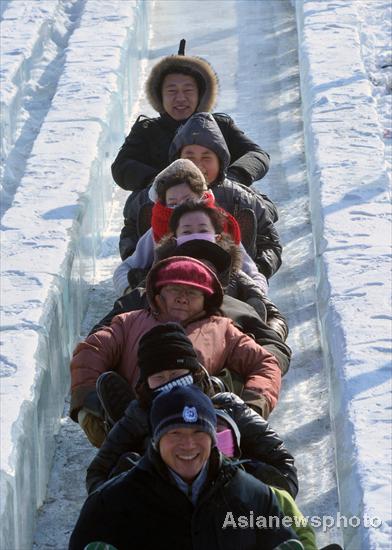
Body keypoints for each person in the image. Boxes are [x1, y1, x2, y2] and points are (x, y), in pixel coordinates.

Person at [70, 256, 281, 447]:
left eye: (192, 292)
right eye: (174, 290)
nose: (182, 298)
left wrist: (252, 406)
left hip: (199, 423)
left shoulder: (223, 330)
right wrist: (88, 400)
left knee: (215, 383)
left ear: (206, 298)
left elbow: (265, 364)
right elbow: (92, 351)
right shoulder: (129, 322)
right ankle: (122, 424)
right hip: (135, 420)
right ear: (159, 292)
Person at [69, 385, 301, 550]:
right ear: (156, 440)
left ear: (212, 439)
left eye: (199, 432)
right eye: (175, 433)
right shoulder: (109, 505)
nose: (188, 444)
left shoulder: (254, 497)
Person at [86, 323, 297, 499]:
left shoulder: (227, 407)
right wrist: (115, 505)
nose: (170, 383)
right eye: (159, 378)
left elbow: (281, 463)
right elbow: (99, 471)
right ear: (146, 383)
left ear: (193, 371)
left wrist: (260, 496)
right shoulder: (139, 415)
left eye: (177, 373)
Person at [111, 41, 270, 194]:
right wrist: (160, 182)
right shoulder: (147, 130)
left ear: (201, 95)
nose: (180, 98)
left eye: (188, 91)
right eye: (172, 91)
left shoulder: (220, 126)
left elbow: (257, 155)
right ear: (160, 96)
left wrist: (233, 177)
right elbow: (122, 166)